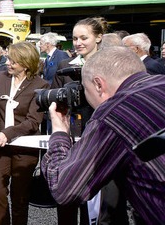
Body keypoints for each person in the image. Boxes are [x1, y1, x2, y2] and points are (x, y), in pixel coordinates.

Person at [42, 46, 165, 224]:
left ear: (99, 84)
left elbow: (65, 190)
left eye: (85, 88)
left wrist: (60, 132)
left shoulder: (114, 113)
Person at [52, 16, 127, 225]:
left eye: (83, 37)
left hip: (105, 139)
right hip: (74, 140)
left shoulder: (112, 65)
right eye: (75, 38)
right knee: (68, 201)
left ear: (99, 37)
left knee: (104, 206)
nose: (78, 43)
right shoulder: (65, 65)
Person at [0, 42, 49, 225]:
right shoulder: (1, 77)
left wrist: (7, 133)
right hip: (0, 146)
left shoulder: (41, 85)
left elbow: (33, 122)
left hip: (25, 148)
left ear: (26, 64)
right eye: (8, 58)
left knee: (20, 198)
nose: (8, 63)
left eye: (13, 61)